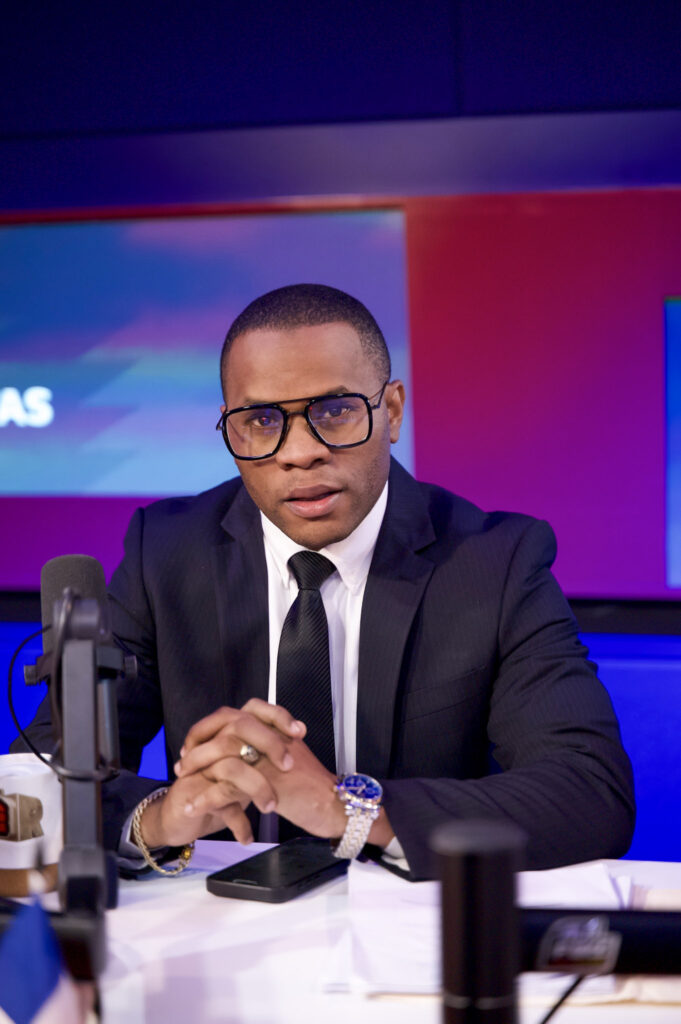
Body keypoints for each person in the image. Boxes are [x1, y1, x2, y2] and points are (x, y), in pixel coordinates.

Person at [20, 284, 634, 880]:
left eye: (335, 412)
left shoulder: (494, 562)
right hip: (221, 922)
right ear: (231, 430)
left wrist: (347, 810)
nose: (299, 452)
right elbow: (39, 783)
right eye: (262, 420)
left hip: (410, 920)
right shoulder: (167, 553)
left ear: (392, 411)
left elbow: (590, 792)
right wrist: (160, 817)